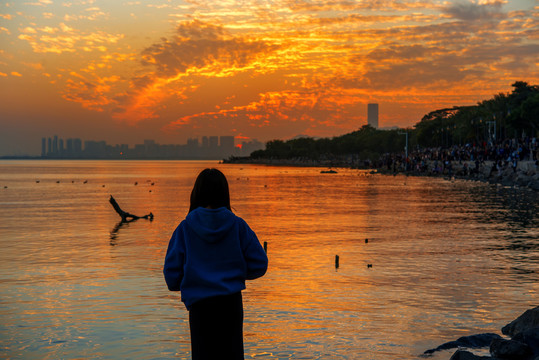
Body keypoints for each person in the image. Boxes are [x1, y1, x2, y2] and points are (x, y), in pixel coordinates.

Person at [163, 168, 268, 360]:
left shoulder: (185, 228)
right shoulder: (238, 225)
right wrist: (235, 272)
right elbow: (260, 264)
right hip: (230, 304)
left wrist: (193, 278)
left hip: (200, 307)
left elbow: (171, 277)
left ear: (196, 193)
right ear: (225, 193)